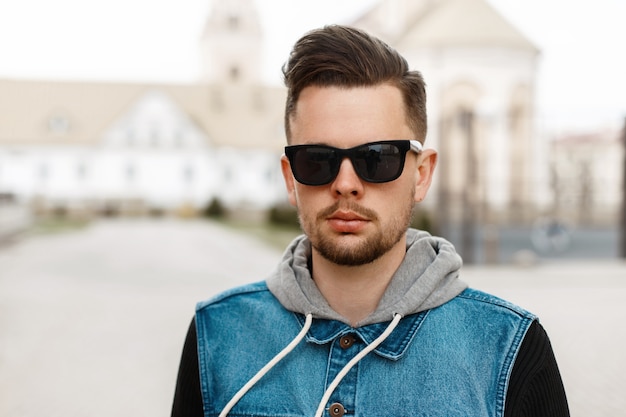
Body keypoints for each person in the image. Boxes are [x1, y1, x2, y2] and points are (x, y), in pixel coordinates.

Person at [171, 25, 569, 417]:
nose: (346, 184)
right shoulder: (218, 336)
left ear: (422, 174)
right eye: (317, 160)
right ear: (290, 178)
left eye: (377, 158)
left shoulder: (508, 349)